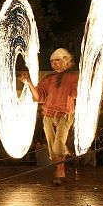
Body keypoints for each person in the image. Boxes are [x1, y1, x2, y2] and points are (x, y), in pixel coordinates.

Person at [20, 48, 79, 186]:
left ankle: (60, 172)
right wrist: (28, 83)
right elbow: (39, 97)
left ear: (65, 61)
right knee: (53, 148)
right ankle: (61, 173)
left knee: (58, 142)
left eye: (57, 60)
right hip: (48, 114)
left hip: (65, 114)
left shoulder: (72, 77)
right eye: (52, 61)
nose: (54, 63)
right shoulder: (48, 79)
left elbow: (76, 94)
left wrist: (86, 84)